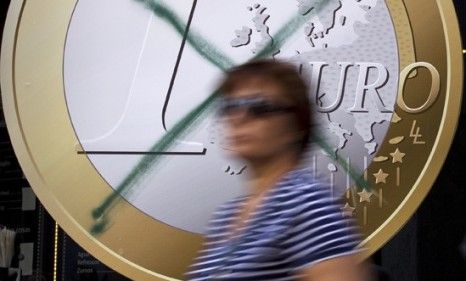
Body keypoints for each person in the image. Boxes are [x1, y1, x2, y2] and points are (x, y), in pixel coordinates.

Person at [186, 59, 370, 280]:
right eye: (230, 107)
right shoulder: (225, 217)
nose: (238, 118)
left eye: (259, 107)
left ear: (297, 126)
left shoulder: (307, 204)